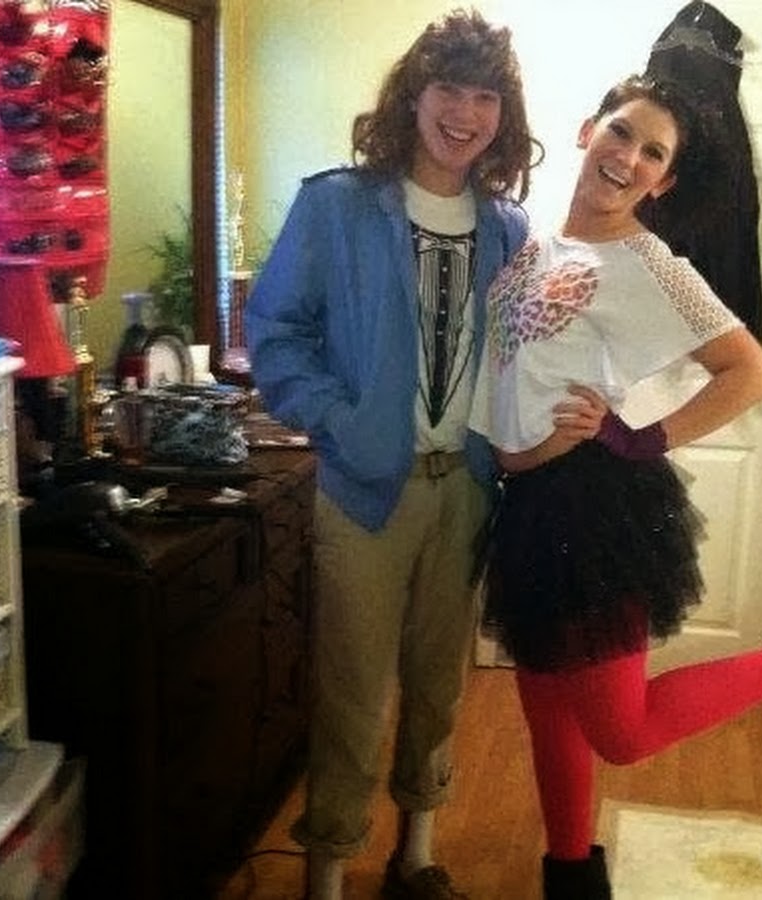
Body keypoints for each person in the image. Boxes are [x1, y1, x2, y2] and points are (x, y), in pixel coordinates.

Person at [467, 74, 762, 900]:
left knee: (621, 733)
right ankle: (569, 874)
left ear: (661, 182)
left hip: (595, 509)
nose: (628, 157)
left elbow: (751, 371)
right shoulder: (537, 244)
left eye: (653, 154)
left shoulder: (648, 265)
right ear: (588, 129)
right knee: (547, 705)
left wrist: (643, 435)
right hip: (528, 508)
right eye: (622, 133)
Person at [244, 10, 538, 899]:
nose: (465, 112)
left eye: (484, 96)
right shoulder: (337, 205)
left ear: (503, 115)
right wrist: (337, 420)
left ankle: (416, 855)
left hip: (468, 492)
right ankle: (329, 871)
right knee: (353, 694)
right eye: (449, 88)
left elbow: (518, 354)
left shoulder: (508, 227)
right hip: (366, 490)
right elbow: (276, 331)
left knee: (440, 688)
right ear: (414, 95)